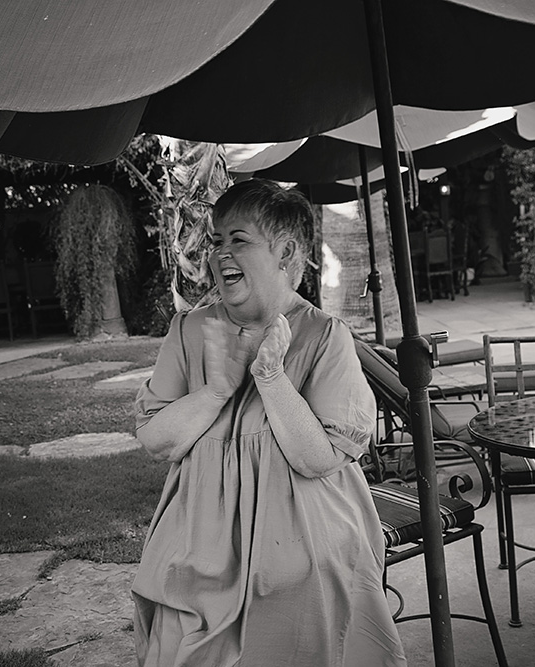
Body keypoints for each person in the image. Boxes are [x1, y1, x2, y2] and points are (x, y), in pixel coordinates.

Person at [132, 179, 406, 666]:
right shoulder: (190, 330)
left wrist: (271, 376)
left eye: (239, 239)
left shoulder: (326, 337)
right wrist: (215, 391)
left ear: (286, 252)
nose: (221, 253)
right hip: (194, 543)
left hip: (301, 541)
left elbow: (318, 458)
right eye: (217, 240)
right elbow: (157, 441)